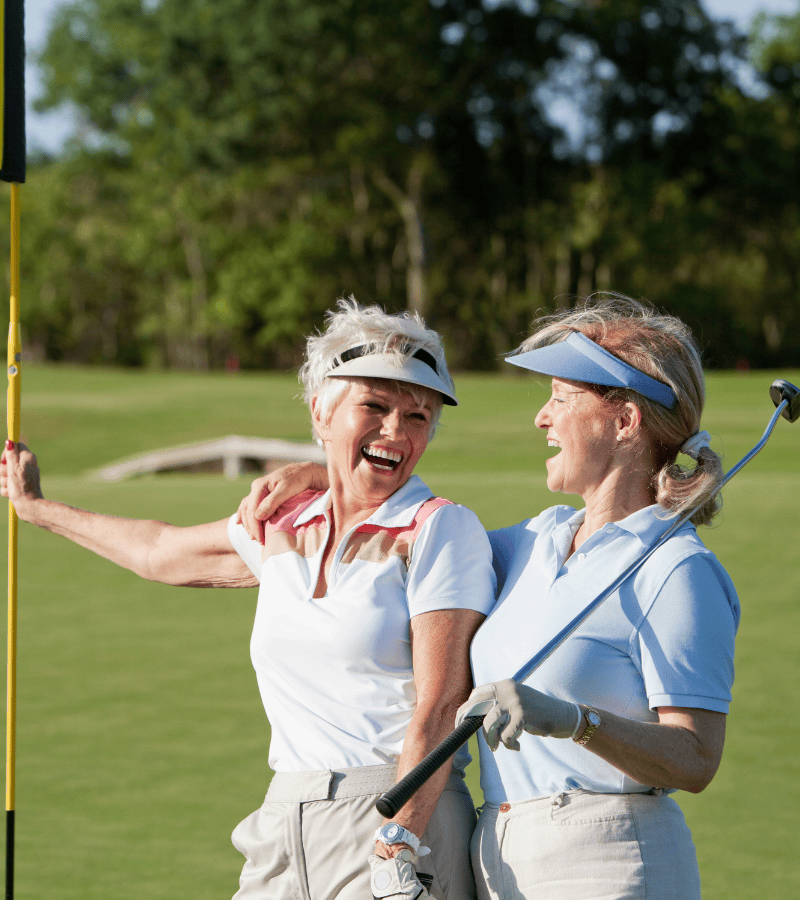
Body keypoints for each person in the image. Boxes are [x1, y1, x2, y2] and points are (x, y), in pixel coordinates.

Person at [236, 296, 740, 900]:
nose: (541, 418)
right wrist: (327, 475)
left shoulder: (678, 569)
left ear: (624, 421)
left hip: (611, 860)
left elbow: (695, 758)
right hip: (500, 863)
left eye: (560, 396)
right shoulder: (534, 541)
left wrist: (577, 722)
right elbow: (406, 533)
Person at [0, 298, 496, 900]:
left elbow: (441, 708)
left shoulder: (440, 529)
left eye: (418, 417)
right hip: (283, 820)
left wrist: (399, 842)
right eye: (374, 405)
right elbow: (161, 551)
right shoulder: (284, 520)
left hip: (395, 814)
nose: (396, 430)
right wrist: (38, 510)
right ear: (321, 411)